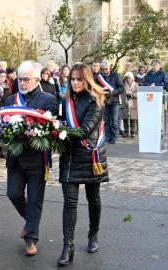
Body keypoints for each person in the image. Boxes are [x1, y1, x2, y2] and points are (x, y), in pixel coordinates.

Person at [57, 63, 108, 266]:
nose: (76, 83)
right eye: (73, 79)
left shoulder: (96, 101)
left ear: (86, 80)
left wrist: (59, 133)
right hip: (69, 157)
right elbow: (59, 122)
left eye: (79, 79)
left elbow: (85, 130)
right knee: (69, 202)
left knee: (93, 198)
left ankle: (93, 234)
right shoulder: (66, 100)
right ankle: (67, 246)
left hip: (89, 155)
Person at [5, 60, 58, 256]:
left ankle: (31, 239)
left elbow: (52, 128)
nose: (22, 82)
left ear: (36, 79)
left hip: (37, 159)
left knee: (35, 200)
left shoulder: (48, 100)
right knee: (13, 194)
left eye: (26, 79)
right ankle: (31, 223)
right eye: (19, 79)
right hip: (16, 159)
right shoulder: (10, 100)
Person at [96, 60, 124, 144]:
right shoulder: (99, 77)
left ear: (110, 68)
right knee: (106, 120)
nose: (105, 71)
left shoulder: (116, 75)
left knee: (115, 120)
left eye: (106, 69)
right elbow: (96, 88)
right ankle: (108, 137)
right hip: (105, 101)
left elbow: (121, 88)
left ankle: (114, 137)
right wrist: (101, 90)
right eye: (103, 69)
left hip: (115, 101)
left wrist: (112, 92)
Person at [122, 72, 138, 138]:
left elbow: (139, 94)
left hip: (133, 102)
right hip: (125, 102)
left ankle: (133, 132)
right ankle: (126, 131)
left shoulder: (136, 84)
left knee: (133, 118)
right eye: (127, 78)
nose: (128, 79)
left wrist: (132, 95)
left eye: (129, 78)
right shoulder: (123, 85)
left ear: (132, 79)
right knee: (125, 118)